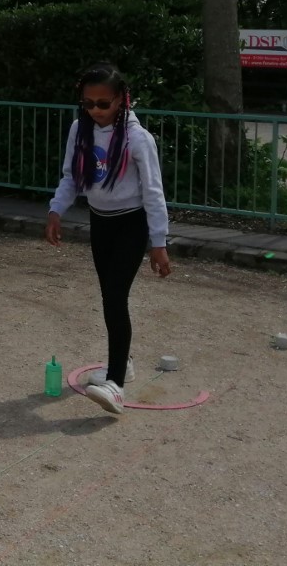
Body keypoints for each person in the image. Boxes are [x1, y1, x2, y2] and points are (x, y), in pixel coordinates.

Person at [44, 63, 171, 415]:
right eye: (88, 104)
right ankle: (123, 362)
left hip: (133, 224)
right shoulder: (79, 130)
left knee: (116, 296)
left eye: (104, 104)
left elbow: (154, 192)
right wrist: (57, 210)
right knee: (109, 297)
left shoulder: (137, 139)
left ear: (121, 100)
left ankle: (115, 383)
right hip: (100, 222)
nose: (95, 111)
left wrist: (158, 243)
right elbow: (70, 176)